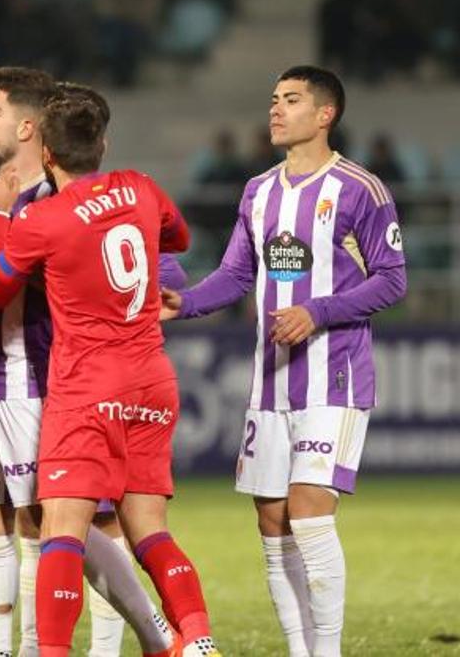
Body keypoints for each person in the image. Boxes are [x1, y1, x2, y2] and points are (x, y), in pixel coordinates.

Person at [161, 66, 406, 657]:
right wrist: (185, 302)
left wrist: (317, 312)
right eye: (273, 99)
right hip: (270, 387)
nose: (275, 109)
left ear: (325, 115)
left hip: (335, 378)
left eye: (291, 100)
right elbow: (238, 275)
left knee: (309, 515)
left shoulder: (359, 189)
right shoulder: (258, 191)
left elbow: (393, 281)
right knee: (273, 526)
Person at [0, 89, 221, 657]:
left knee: (62, 530)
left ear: (47, 155)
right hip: (152, 382)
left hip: (87, 386)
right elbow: (178, 239)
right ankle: (200, 639)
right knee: (150, 531)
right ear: (103, 144)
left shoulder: (42, 219)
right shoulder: (139, 186)